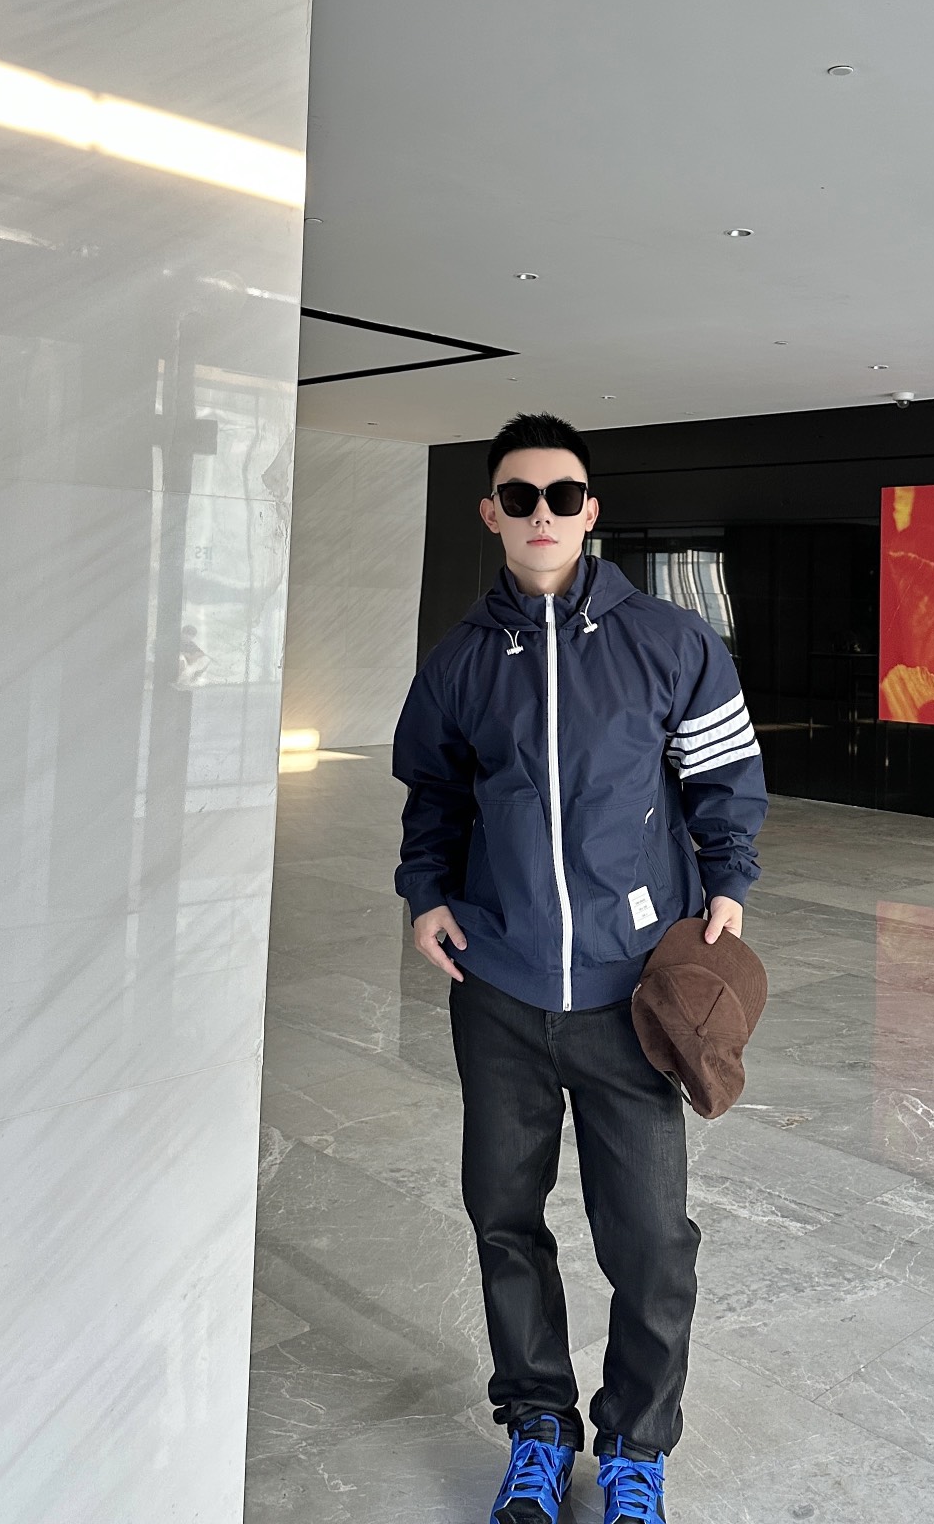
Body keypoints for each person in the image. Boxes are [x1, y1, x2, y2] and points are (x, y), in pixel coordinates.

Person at [392, 413, 767, 1524]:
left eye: (563, 496)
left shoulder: (669, 641)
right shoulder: (461, 661)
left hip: (626, 997)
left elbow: (723, 776)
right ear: (491, 513)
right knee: (504, 1219)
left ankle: (637, 1447)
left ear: (591, 511)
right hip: (500, 992)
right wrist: (426, 895)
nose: (542, 514)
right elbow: (434, 797)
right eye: (520, 497)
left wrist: (729, 882)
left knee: (649, 1242)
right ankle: (539, 1430)